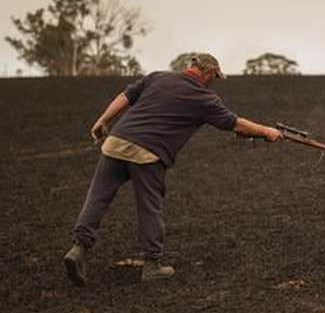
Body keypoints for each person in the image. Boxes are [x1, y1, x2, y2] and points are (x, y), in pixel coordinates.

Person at [63, 53, 283, 286]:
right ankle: (152, 265)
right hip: (148, 153)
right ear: (208, 73)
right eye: (214, 77)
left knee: (97, 198)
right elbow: (235, 123)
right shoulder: (203, 97)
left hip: (116, 142)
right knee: (150, 207)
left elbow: (125, 96)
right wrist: (267, 132)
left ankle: (78, 248)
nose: (213, 82)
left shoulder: (157, 77)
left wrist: (102, 121)